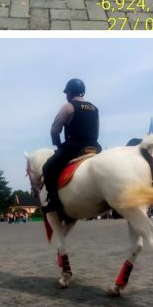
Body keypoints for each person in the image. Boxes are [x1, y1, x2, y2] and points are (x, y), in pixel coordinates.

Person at [42, 78, 102, 216]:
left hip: (75, 147)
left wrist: (58, 145)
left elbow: (54, 130)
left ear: (69, 92)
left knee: (48, 168)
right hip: (95, 147)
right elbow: (97, 132)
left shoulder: (69, 107)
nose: (66, 96)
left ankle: (54, 202)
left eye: (66, 93)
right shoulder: (95, 109)